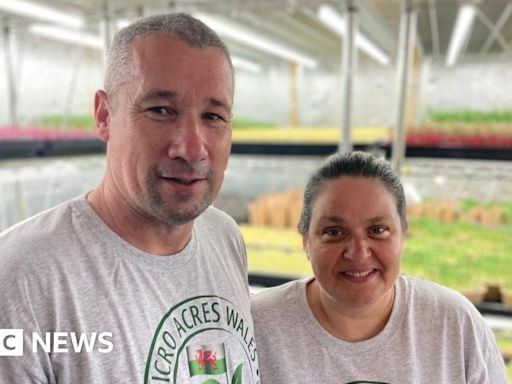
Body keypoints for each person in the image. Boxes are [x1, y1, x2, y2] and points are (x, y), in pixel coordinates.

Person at [0, 14, 260, 383]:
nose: (191, 148)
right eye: (160, 110)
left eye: (213, 116)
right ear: (105, 116)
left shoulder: (224, 236)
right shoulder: (22, 278)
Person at [251, 151, 507, 383]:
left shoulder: (455, 324)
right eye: (334, 232)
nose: (358, 252)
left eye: (378, 230)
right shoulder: (258, 326)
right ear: (306, 241)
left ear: (403, 235)